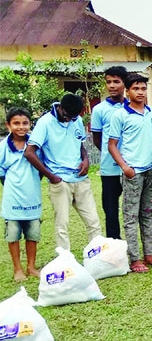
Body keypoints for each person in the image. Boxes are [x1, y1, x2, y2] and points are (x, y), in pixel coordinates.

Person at [25, 94, 102, 251]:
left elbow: (80, 144)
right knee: (62, 225)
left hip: (80, 178)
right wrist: (51, 176)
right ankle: (65, 261)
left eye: (73, 117)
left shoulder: (76, 120)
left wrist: (86, 160)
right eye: (66, 115)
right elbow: (29, 152)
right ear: (60, 107)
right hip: (60, 181)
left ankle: (98, 259)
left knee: (93, 222)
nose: (69, 120)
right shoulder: (45, 123)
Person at [106, 73, 152, 272]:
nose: (140, 92)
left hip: (151, 170)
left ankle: (149, 254)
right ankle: (135, 258)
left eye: (142, 88)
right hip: (133, 172)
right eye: (136, 89)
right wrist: (125, 167)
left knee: (148, 213)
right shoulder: (120, 115)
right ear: (127, 91)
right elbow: (112, 145)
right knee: (131, 216)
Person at [0, 108, 41, 281]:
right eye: (16, 123)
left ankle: (31, 266)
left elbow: (41, 167)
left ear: (30, 124)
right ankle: (18, 269)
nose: (21, 127)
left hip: (33, 197)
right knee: (13, 235)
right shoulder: (3, 146)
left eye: (25, 123)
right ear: (8, 125)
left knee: (33, 234)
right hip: (12, 198)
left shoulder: (35, 144)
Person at [90, 65, 127, 239]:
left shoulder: (133, 106)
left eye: (116, 82)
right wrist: (111, 154)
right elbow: (97, 139)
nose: (111, 86)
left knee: (135, 209)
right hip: (109, 169)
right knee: (111, 210)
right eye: (108, 82)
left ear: (124, 84)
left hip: (132, 167)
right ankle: (115, 247)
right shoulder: (99, 110)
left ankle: (141, 248)